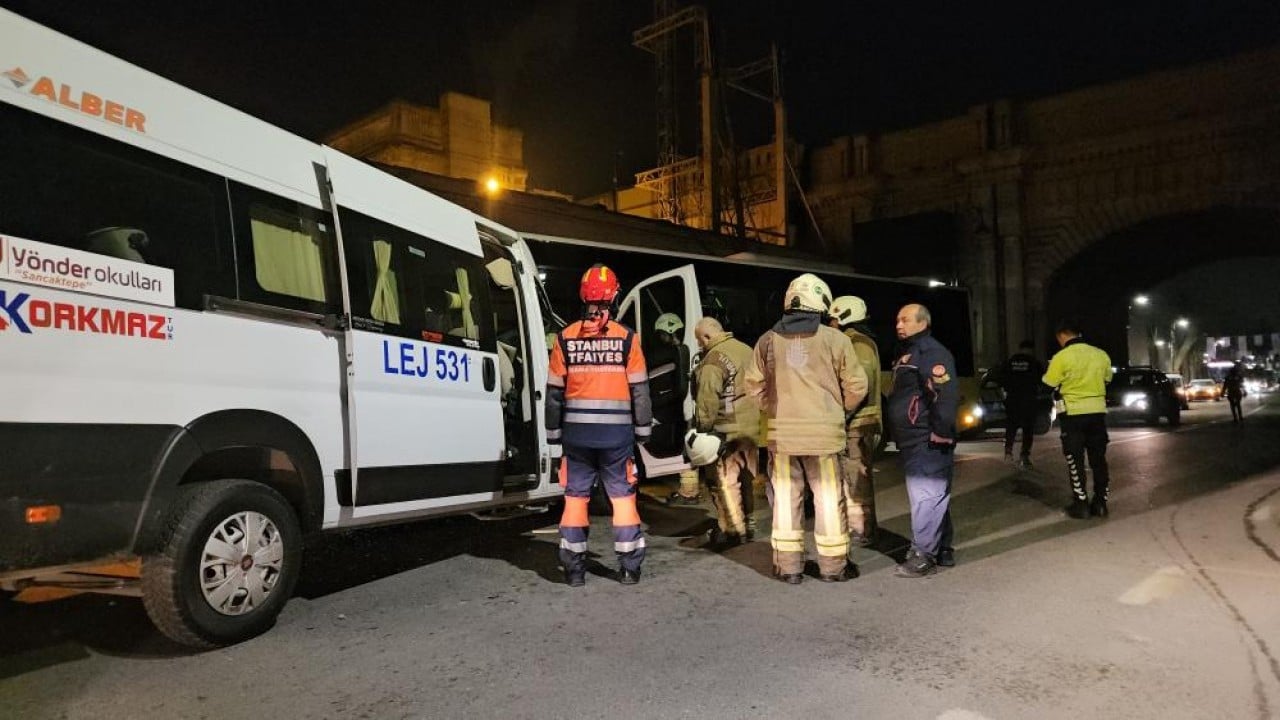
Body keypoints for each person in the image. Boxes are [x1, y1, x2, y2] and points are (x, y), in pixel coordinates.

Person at [744, 273, 868, 584]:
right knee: (828, 501)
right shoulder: (835, 339)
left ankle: (789, 568)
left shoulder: (767, 340)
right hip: (824, 438)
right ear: (822, 303)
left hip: (782, 437)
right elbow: (856, 385)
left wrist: (773, 409)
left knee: (786, 501)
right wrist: (837, 410)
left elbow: (753, 385)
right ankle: (833, 567)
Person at [546, 264, 653, 586]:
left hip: (576, 438)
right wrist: (643, 431)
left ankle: (574, 570)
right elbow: (640, 391)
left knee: (576, 500)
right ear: (614, 297)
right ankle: (629, 568)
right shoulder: (627, 340)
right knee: (622, 500)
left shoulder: (564, 339)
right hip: (616, 438)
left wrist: (553, 435)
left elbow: (554, 394)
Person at [887, 304, 960, 577]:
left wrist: (940, 431)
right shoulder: (907, 352)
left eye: (904, 319)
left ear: (922, 322)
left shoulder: (931, 352)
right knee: (932, 495)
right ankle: (942, 549)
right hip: (912, 438)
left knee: (926, 495)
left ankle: (922, 556)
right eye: (897, 319)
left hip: (926, 437)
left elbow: (945, 394)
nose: (898, 324)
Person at [689, 316, 763, 546]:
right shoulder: (747, 350)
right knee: (746, 478)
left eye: (700, 341)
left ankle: (733, 530)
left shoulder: (713, 360)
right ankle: (748, 523)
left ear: (707, 336)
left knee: (724, 483)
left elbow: (707, 403)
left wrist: (701, 432)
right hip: (751, 430)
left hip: (725, 432)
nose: (700, 346)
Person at [1041, 319, 1113, 519]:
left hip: (1072, 414)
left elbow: (1048, 384)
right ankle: (1100, 503)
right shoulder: (1100, 355)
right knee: (1099, 459)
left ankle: (1081, 504)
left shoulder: (1061, 357)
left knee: (1075, 459)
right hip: (1097, 413)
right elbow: (1108, 379)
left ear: (1062, 336)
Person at [828, 295, 882, 548]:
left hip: (858, 424)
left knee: (857, 480)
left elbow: (857, 387)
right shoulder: (853, 342)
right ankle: (861, 527)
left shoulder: (858, 345)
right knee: (852, 478)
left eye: (833, 318)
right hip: (857, 423)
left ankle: (862, 530)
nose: (830, 323)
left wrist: (841, 415)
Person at [647, 313, 699, 503]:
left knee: (685, 451)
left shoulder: (675, 353)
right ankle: (689, 491)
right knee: (686, 450)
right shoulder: (682, 352)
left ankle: (689, 492)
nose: (660, 338)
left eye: (661, 334)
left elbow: (678, 387)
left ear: (669, 332)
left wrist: (656, 404)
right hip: (680, 409)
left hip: (672, 410)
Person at [999, 340, 1046, 469]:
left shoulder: (1010, 362)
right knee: (1028, 429)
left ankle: (1008, 453)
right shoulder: (1034, 363)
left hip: (1012, 399)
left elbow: (1001, 378)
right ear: (1031, 350)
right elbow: (1042, 380)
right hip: (1028, 399)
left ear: (1020, 348)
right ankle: (1024, 456)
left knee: (1011, 427)